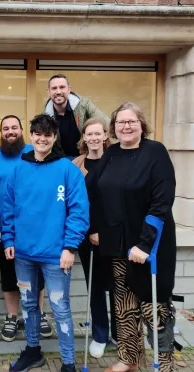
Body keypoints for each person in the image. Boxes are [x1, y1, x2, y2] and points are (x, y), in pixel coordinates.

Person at [88, 102, 177, 372]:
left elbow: (162, 201)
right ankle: (129, 358)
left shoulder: (155, 152)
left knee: (154, 308)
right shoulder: (111, 153)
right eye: (120, 123)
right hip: (117, 245)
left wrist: (145, 244)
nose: (125, 127)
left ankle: (165, 364)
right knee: (124, 305)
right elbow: (92, 188)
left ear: (141, 125)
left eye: (131, 122)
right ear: (113, 128)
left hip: (149, 247)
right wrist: (94, 227)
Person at [1, 114, 89, 372]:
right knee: (28, 304)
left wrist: (70, 247)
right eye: (37, 133)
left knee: (60, 308)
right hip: (24, 254)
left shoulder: (67, 170)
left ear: (54, 138)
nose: (42, 138)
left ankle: (68, 363)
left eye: (47, 134)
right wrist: (8, 238)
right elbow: (7, 208)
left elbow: (79, 211)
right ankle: (32, 351)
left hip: (56, 255)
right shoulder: (18, 169)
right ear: (31, 135)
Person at [0, 115, 52, 342]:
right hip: (2, 229)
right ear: (0, 133)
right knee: (8, 274)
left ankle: (39, 314)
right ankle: (12, 316)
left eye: (14, 127)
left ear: (23, 130)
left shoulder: (38, 153)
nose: (10, 131)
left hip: (34, 228)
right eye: (6, 128)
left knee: (38, 274)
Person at [72, 117, 117, 358]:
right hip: (86, 236)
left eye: (98, 133)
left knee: (120, 285)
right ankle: (100, 334)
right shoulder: (76, 164)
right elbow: (75, 202)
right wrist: (89, 231)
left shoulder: (116, 159)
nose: (93, 138)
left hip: (115, 234)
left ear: (105, 135)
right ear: (84, 138)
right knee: (96, 286)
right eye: (89, 134)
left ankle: (122, 333)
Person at [43, 73, 110, 159]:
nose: (58, 92)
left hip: (86, 156)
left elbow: (107, 124)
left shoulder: (84, 105)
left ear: (69, 89)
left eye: (62, 87)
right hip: (61, 160)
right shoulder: (45, 115)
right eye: (54, 88)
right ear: (48, 92)